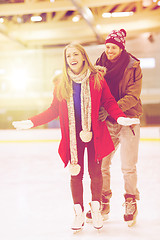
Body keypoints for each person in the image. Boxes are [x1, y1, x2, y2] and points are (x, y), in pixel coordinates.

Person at [12, 43, 140, 231]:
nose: (72, 58)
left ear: (83, 57)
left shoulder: (97, 79)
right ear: (66, 60)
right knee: (75, 174)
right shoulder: (61, 83)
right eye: (68, 55)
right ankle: (78, 213)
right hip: (73, 136)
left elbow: (109, 102)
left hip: (94, 134)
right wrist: (32, 122)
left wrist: (121, 117)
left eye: (75, 54)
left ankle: (96, 210)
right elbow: (53, 110)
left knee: (96, 173)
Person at [86, 29, 143, 227]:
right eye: (107, 47)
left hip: (129, 119)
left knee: (128, 166)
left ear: (121, 47)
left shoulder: (133, 66)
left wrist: (112, 111)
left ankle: (130, 201)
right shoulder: (98, 65)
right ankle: (103, 202)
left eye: (113, 47)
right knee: (102, 164)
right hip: (106, 122)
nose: (109, 50)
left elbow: (133, 95)